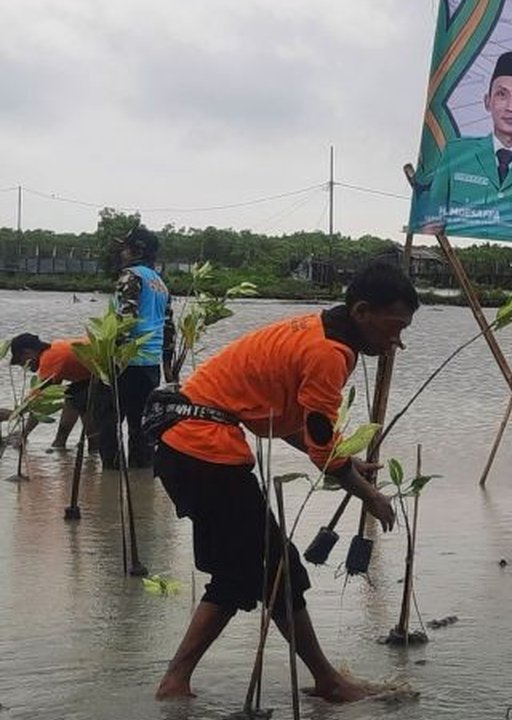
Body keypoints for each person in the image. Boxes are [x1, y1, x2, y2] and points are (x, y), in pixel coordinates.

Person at [151, 262, 416, 702]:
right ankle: (177, 683)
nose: (397, 342)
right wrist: (371, 496)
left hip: (193, 447)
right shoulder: (330, 353)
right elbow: (321, 453)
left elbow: (282, 426)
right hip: (202, 451)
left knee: (270, 571)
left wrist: (341, 457)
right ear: (363, 311)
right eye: (394, 327)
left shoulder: (318, 331)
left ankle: (183, 681)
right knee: (263, 571)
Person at [418, 51, 512, 242]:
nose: (511, 107)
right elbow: (432, 225)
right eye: (502, 95)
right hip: (453, 265)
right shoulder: (455, 154)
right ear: (487, 101)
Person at [96, 224, 173, 469]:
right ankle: (141, 477)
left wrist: (110, 356)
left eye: (125, 249)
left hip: (126, 360)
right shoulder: (160, 283)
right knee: (141, 423)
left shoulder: (131, 276)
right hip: (150, 363)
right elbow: (169, 326)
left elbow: (125, 318)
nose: (122, 253)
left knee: (107, 418)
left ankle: (111, 474)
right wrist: (168, 365)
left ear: (137, 251)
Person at [4, 333, 97, 451]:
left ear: (28, 353)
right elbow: (44, 399)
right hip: (88, 377)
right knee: (72, 396)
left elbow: (40, 404)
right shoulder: (53, 350)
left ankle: (93, 454)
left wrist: (23, 434)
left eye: (21, 362)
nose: (24, 367)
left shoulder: (49, 358)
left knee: (83, 408)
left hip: (104, 372)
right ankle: (60, 444)